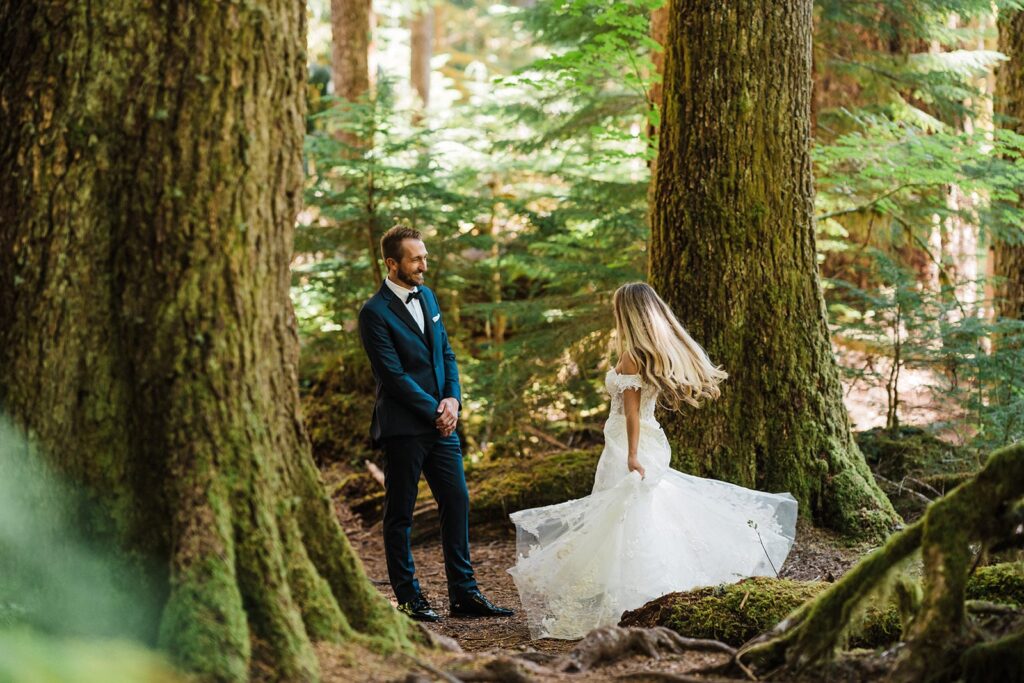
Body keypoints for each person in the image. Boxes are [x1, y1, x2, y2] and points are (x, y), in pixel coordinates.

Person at [507, 282, 798, 639]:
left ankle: (632, 594)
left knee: (624, 516)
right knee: (632, 513)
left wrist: (630, 454)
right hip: (643, 436)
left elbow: (630, 413)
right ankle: (632, 591)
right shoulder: (652, 353)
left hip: (629, 442)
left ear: (626, 313)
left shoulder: (632, 356)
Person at [359, 225, 513, 622]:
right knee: (401, 514)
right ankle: (409, 598)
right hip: (404, 429)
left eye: (425, 256)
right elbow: (392, 377)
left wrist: (453, 401)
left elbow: (446, 353)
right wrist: (435, 410)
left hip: (442, 425)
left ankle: (464, 594)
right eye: (416, 258)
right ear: (392, 264)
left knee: (457, 501)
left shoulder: (427, 296)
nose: (425, 264)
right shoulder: (374, 313)